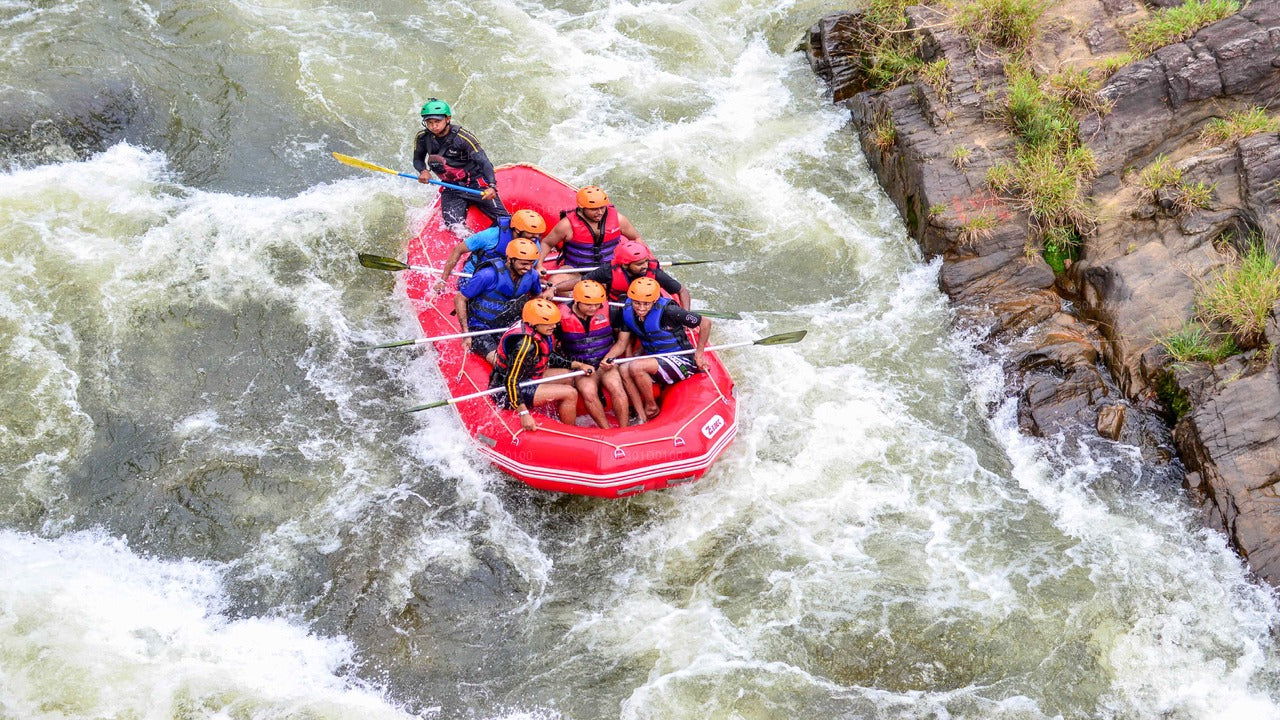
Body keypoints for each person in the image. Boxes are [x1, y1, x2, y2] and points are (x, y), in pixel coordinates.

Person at [603, 277, 710, 423]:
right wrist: (607, 358)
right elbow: (622, 343)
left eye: (646, 304)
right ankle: (641, 416)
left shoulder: (670, 311)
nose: (640, 308)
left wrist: (699, 354)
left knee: (636, 366)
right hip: (656, 360)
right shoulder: (627, 310)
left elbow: (705, 323)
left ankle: (651, 407)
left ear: (654, 301)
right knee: (623, 369)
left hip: (682, 360)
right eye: (637, 303)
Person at [490, 298, 596, 432]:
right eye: (548, 324)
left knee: (568, 377)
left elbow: (548, 356)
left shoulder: (540, 331)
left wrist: (577, 365)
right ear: (534, 323)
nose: (554, 326)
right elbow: (511, 380)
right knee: (571, 393)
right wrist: (523, 413)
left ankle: (562, 415)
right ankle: (571, 432)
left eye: (554, 323)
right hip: (505, 390)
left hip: (527, 376)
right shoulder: (524, 346)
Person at [412, 98, 508, 236]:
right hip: (452, 187)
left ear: (448, 119)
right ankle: (473, 245)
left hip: (476, 184)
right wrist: (423, 171)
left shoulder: (463, 138)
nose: (433, 126)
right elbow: (417, 159)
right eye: (429, 123)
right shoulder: (422, 137)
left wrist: (492, 186)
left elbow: (484, 162)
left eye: (437, 122)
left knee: (505, 221)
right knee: (454, 226)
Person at [454, 238, 547, 364]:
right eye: (523, 264)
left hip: (508, 324)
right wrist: (466, 333)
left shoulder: (532, 276)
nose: (528, 268)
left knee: (531, 357)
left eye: (531, 264)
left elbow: (537, 298)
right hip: (480, 326)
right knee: (499, 362)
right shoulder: (487, 275)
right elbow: (460, 298)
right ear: (510, 259)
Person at [558, 280, 632, 428]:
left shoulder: (611, 310)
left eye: (597, 304)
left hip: (606, 360)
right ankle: (606, 429)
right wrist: (575, 365)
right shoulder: (559, 316)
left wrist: (609, 357)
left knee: (616, 386)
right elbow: (552, 348)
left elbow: (622, 342)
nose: (594, 308)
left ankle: (624, 428)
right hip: (580, 365)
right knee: (588, 391)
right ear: (577, 301)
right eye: (588, 304)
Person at [539, 185, 642, 284]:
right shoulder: (567, 225)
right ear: (582, 208)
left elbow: (636, 238)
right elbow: (547, 243)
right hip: (577, 272)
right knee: (555, 281)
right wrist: (538, 265)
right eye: (594, 209)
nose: (600, 212)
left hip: (610, 270)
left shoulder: (619, 219)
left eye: (602, 208)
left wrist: (648, 260)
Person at [436, 209, 547, 293]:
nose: (536, 237)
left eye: (538, 234)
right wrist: (443, 281)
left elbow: (524, 270)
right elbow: (458, 250)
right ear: (517, 230)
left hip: (502, 277)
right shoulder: (490, 236)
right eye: (532, 233)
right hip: (474, 275)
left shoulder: (534, 244)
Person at [564, 239, 691, 308]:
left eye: (645, 262)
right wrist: (554, 289)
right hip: (619, 308)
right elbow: (583, 281)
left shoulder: (653, 272)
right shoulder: (608, 271)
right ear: (625, 264)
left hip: (646, 310)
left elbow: (682, 291)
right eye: (639, 264)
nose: (645, 266)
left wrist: (686, 314)